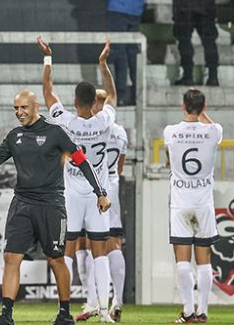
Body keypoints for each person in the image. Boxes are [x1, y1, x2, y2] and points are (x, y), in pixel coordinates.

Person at [0, 88, 109, 325]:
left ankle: (64, 313)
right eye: (16, 108)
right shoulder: (14, 136)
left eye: (24, 108)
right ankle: (6, 315)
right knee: (11, 257)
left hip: (51, 205)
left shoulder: (56, 133)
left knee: (56, 259)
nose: (19, 113)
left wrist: (100, 193)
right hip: (22, 204)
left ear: (36, 107)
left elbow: (82, 161)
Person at [38, 37, 118, 323]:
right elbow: (112, 94)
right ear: (94, 102)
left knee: (67, 251)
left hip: (71, 195)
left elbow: (47, 92)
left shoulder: (64, 121)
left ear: (74, 101)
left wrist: (48, 58)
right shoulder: (104, 121)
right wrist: (103, 64)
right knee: (100, 253)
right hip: (99, 195)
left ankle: (65, 307)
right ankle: (103, 309)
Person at [163, 89, 222, 323]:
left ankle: (187, 311)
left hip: (180, 203)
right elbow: (212, 126)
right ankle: (203, 311)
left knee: (182, 259)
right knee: (204, 260)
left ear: (182, 106)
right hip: (204, 203)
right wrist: (202, 115)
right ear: (204, 107)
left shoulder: (171, 132)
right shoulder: (214, 131)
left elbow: (170, 157)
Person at [103, 98, 128, 322]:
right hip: (112, 186)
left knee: (84, 244)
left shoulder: (92, 126)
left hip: (91, 188)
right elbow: (120, 166)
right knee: (114, 242)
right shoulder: (121, 132)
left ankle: (95, 302)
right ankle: (117, 300)